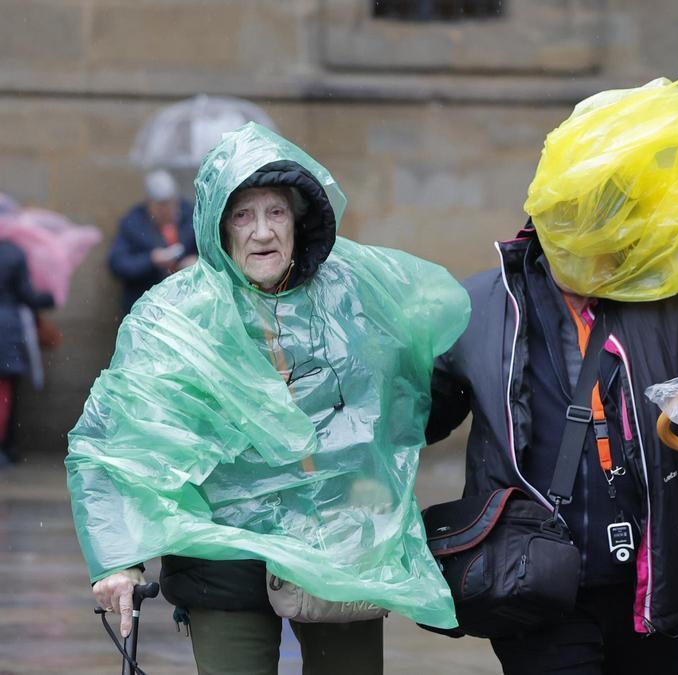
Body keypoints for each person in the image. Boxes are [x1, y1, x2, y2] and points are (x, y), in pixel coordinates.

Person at [76, 124, 467, 674]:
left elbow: (424, 373)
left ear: (298, 220)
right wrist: (120, 559)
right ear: (219, 226)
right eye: (243, 215)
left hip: (340, 547)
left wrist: (389, 464)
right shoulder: (174, 317)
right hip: (224, 558)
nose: (262, 233)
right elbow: (121, 440)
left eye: (276, 213)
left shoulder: (352, 291)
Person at [426, 223, 678, 674]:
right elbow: (421, 418)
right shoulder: (481, 303)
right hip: (528, 578)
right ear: (541, 222)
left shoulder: (673, 299)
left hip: (648, 583)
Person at [108, 169, 198, 314]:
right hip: (147, 303)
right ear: (148, 204)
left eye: (169, 204)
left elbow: (214, 251)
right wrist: (150, 260)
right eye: (160, 206)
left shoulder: (192, 216)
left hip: (187, 302)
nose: (166, 211)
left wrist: (197, 262)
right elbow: (117, 263)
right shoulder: (133, 223)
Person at [0, 240, 54, 465]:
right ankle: (5, 448)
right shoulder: (13, 251)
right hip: (7, 330)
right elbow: (27, 294)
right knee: (5, 394)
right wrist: (49, 298)